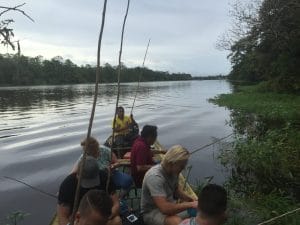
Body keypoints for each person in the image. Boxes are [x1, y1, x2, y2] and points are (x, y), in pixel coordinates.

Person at [141, 145, 198, 225]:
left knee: (199, 211)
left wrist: (191, 200)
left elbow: (176, 190)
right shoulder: (155, 177)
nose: (183, 169)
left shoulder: (174, 172)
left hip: (170, 205)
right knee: (176, 221)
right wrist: (190, 204)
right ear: (172, 163)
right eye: (181, 166)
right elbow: (165, 209)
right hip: (153, 212)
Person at [57, 156, 121, 225]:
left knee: (117, 221)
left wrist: (104, 219)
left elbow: (116, 203)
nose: (90, 186)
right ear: (78, 175)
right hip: (79, 219)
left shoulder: (104, 177)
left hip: (101, 218)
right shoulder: (67, 185)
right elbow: (62, 217)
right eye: (86, 181)